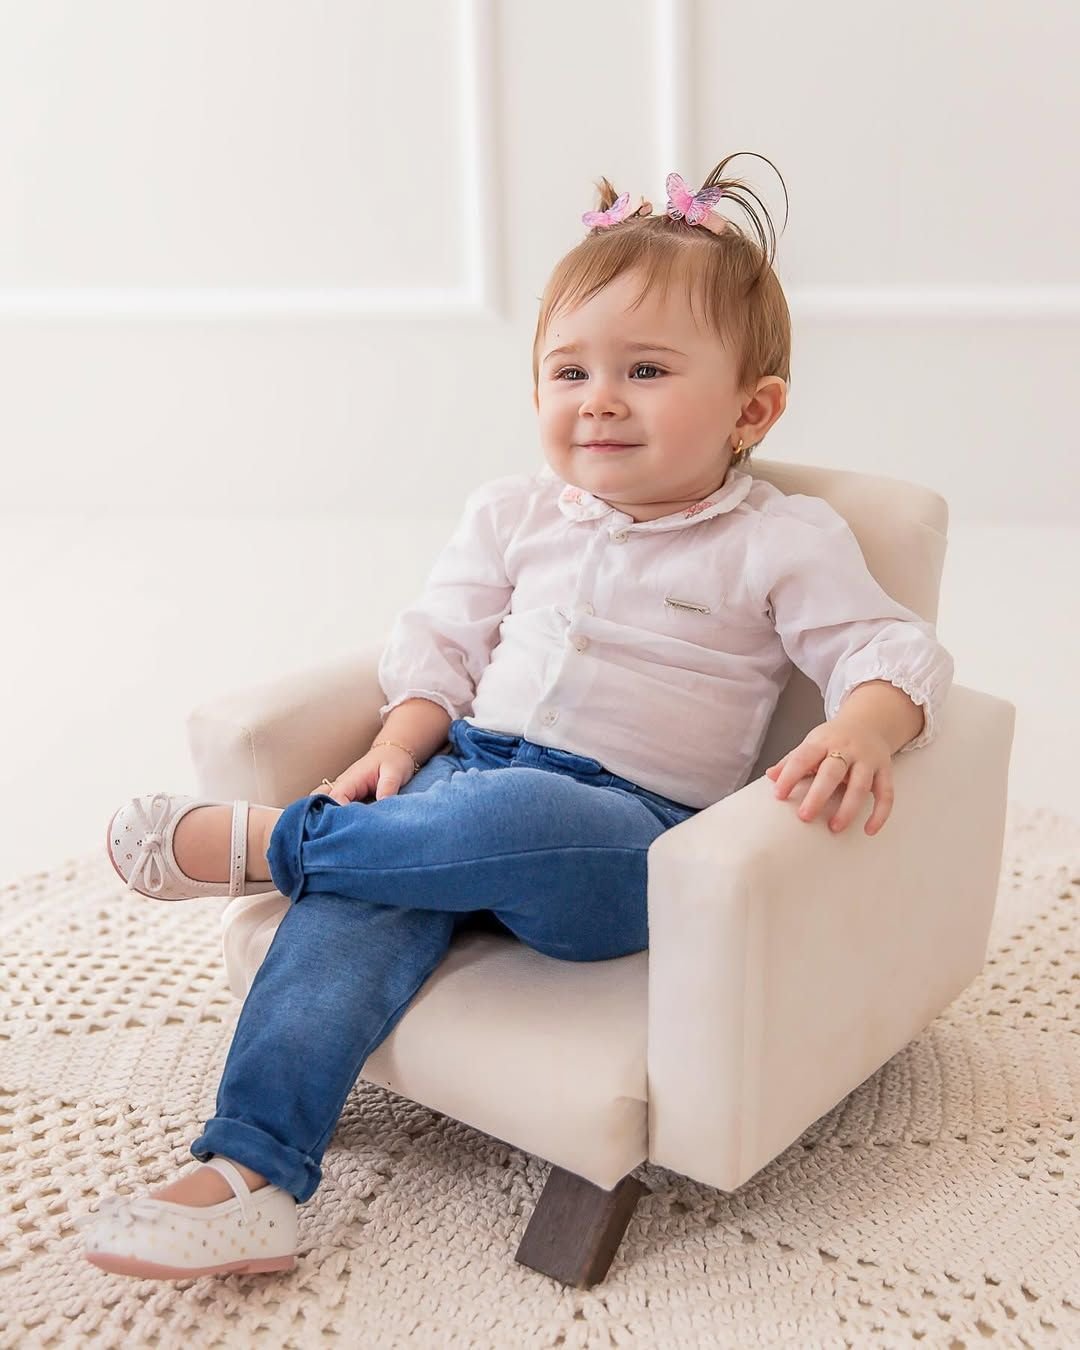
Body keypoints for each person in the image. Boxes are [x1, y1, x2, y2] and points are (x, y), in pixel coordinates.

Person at [76, 152, 954, 1279]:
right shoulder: (513, 513)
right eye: (569, 370)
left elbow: (888, 650)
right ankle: (249, 1176)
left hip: (622, 833)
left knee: (513, 814)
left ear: (753, 409)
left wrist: (865, 725)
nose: (599, 399)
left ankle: (276, 844)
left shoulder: (778, 539)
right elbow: (438, 648)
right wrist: (397, 748)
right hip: (457, 781)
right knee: (347, 915)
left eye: (645, 370)